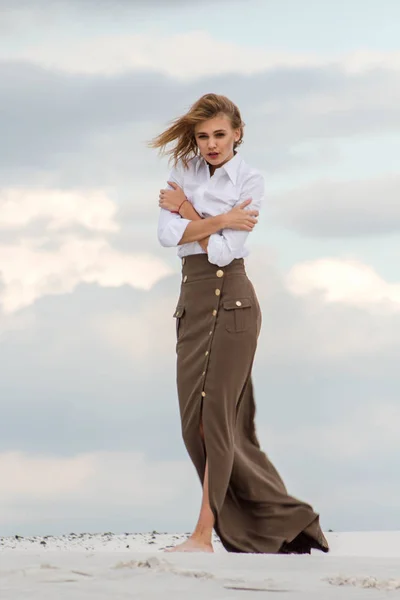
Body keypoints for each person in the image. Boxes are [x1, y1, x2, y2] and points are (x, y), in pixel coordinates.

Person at [149, 93, 329, 555]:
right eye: (203, 136)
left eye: (220, 135)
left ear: (238, 134)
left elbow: (227, 252)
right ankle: (290, 520)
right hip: (191, 302)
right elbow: (166, 237)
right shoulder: (182, 173)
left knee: (217, 420)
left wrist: (191, 214)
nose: (211, 144)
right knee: (197, 425)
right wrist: (221, 220)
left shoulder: (251, 179)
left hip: (233, 303)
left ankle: (203, 535)